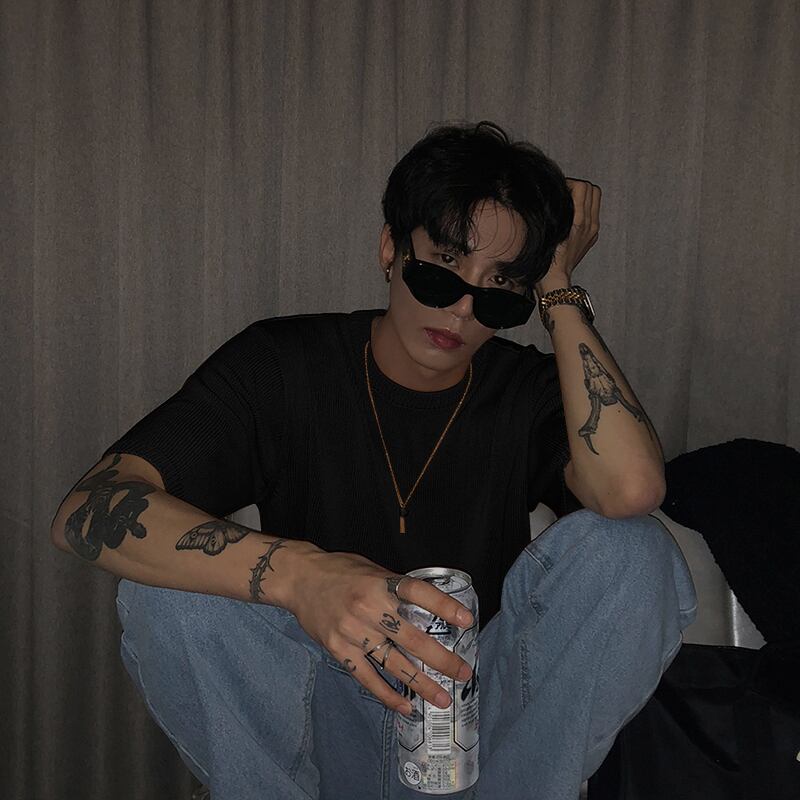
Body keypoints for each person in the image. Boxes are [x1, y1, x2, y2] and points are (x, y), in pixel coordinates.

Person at [51, 121, 697, 800]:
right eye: (442, 268)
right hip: (321, 720)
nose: (463, 308)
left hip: (478, 732)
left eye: (500, 287)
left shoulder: (525, 388)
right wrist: (304, 579)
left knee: (631, 552)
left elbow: (631, 490)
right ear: (391, 248)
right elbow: (86, 509)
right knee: (169, 590)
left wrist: (558, 286)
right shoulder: (283, 366)